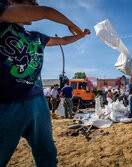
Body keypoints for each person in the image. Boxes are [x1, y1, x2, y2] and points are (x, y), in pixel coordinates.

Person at [0, 0, 90, 166]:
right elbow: (46, 11)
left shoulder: (36, 37)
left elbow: (62, 40)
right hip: (6, 104)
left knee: (47, 155)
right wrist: (71, 24)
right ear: (11, 1)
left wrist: (80, 36)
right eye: (31, 2)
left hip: (37, 103)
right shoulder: (2, 14)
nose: (35, 6)